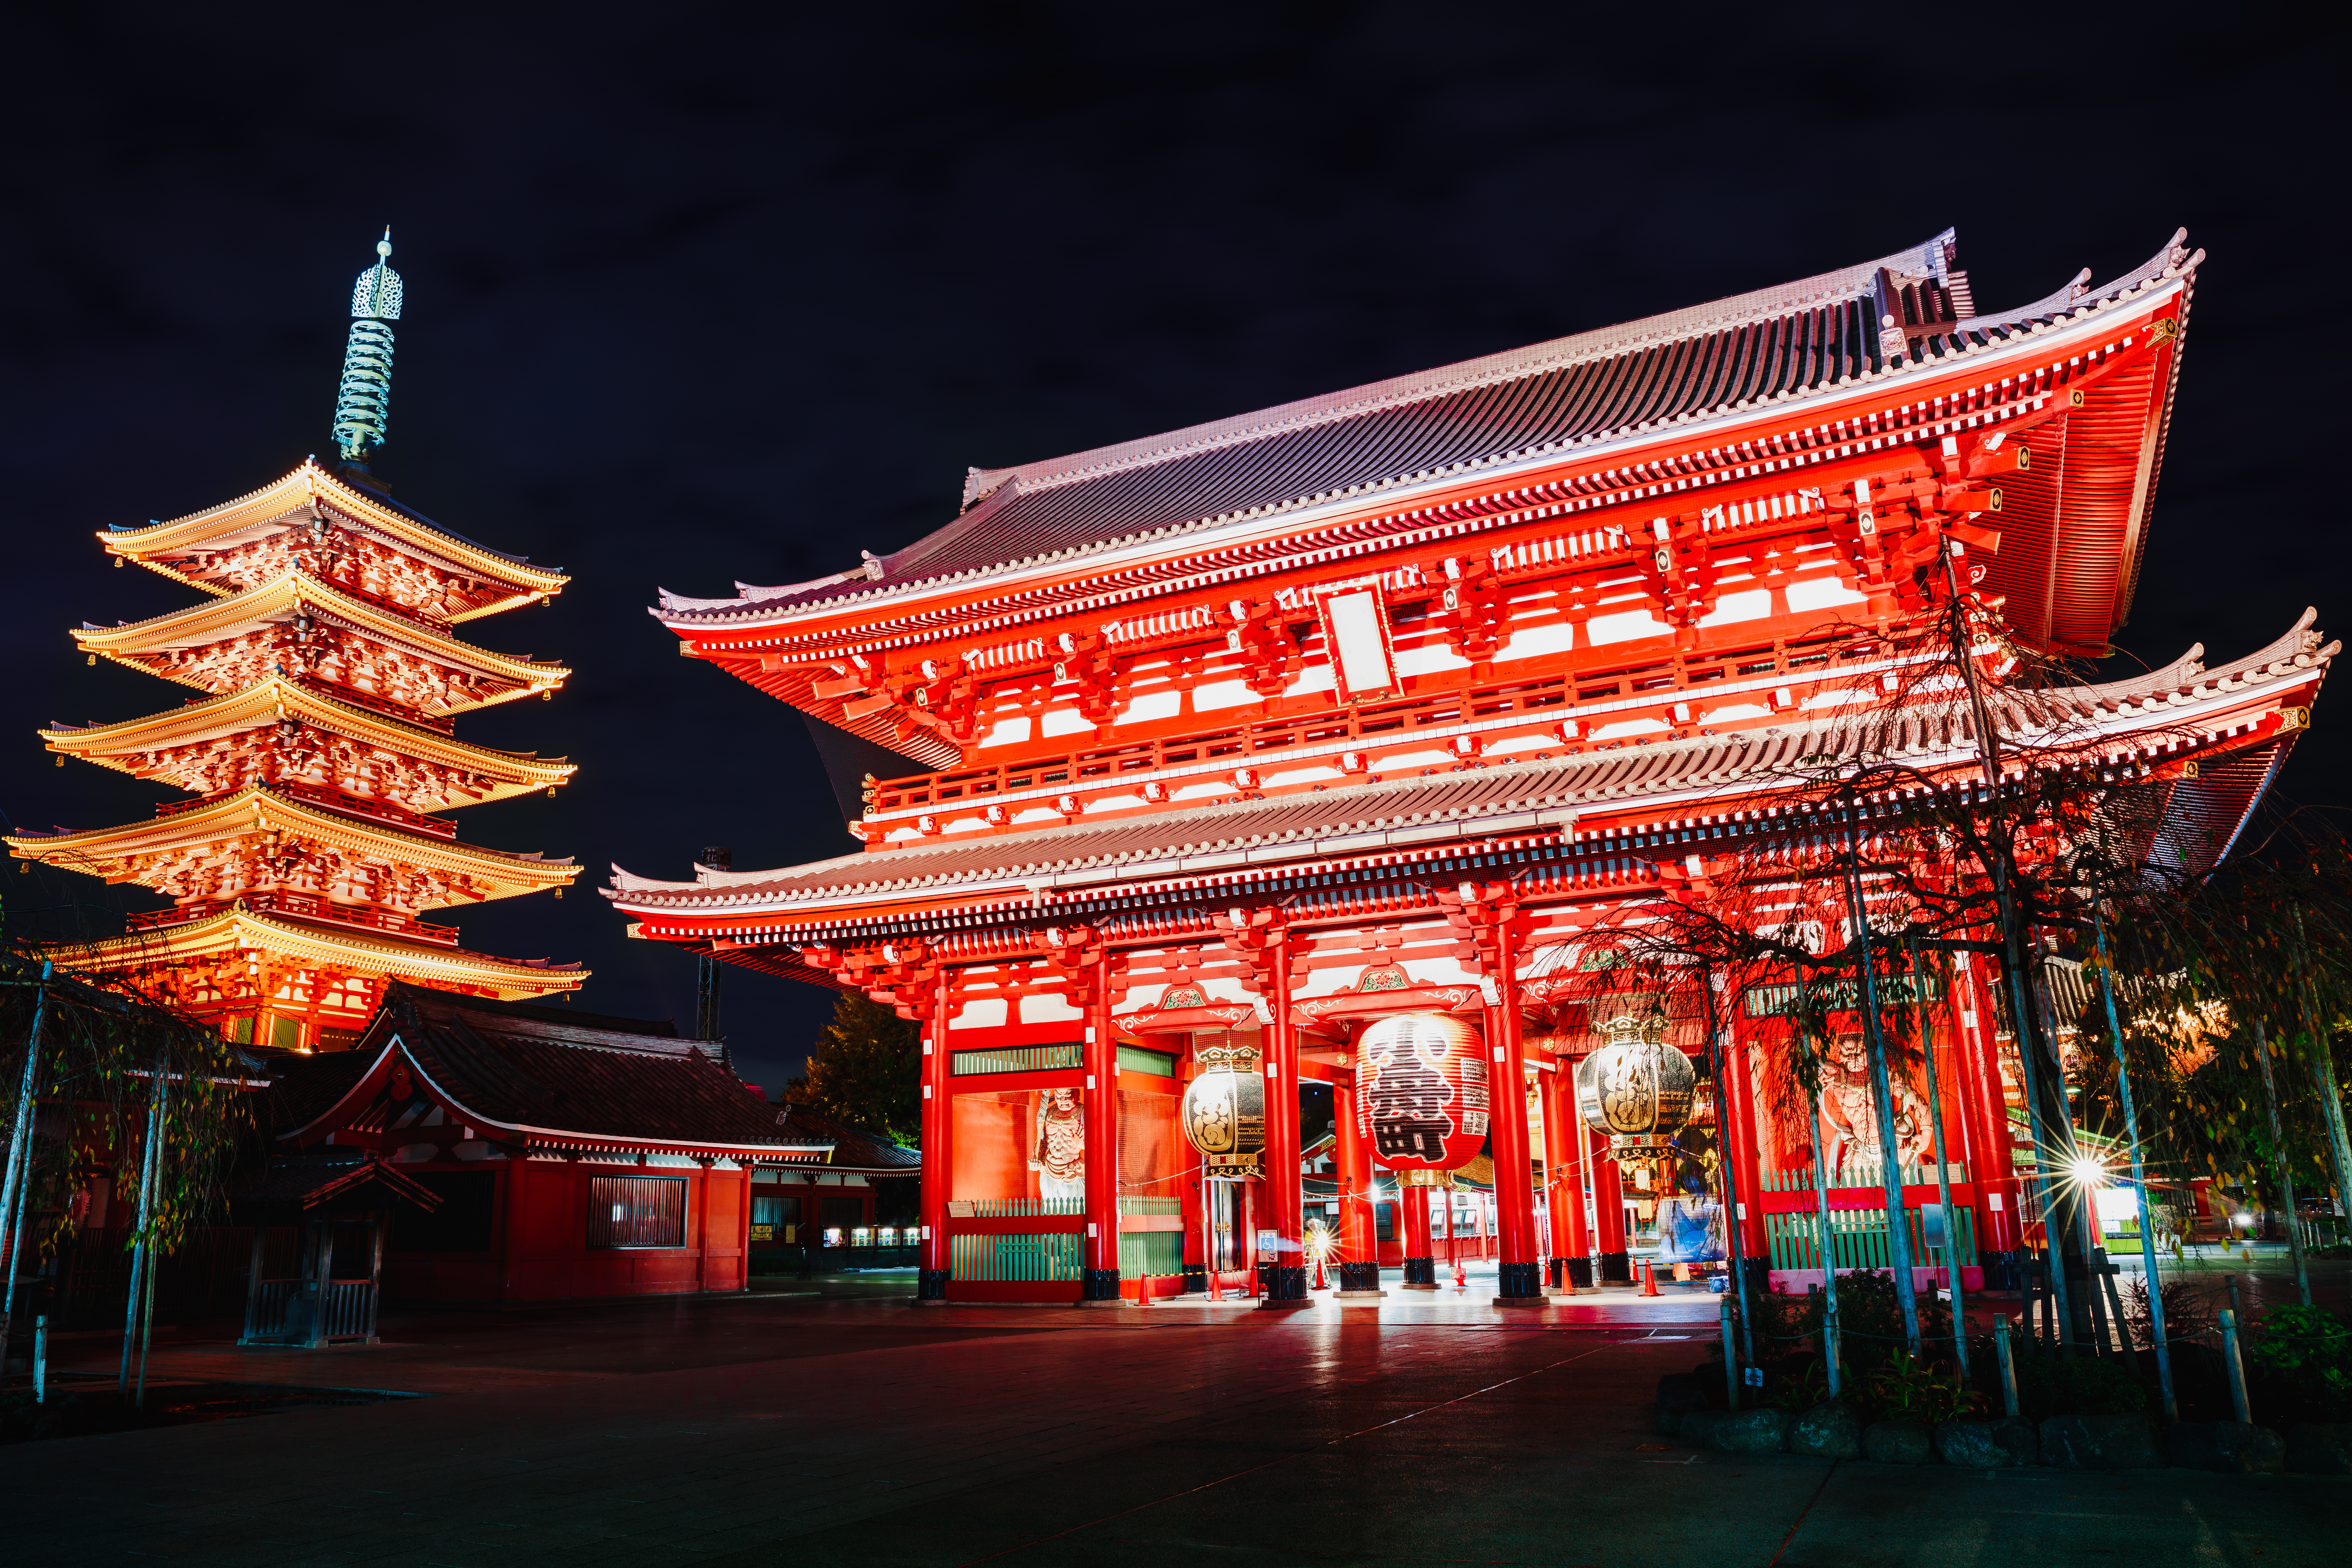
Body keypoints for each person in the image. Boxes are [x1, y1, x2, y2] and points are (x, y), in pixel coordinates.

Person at [1031, 1086, 1085, 1205]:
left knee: (1074, 1209)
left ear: (1076, 1094)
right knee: (1050, 1209)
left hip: (1072, 1171)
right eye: (1059, 1096)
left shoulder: (1083, 1112)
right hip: (1048, 1169)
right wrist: (1036, 1158)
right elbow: (1042, 1142)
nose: (1063, 1100)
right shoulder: (1048, 1112)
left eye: (1067, 1096)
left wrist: (1082, 1144)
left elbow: (1096, 1147)